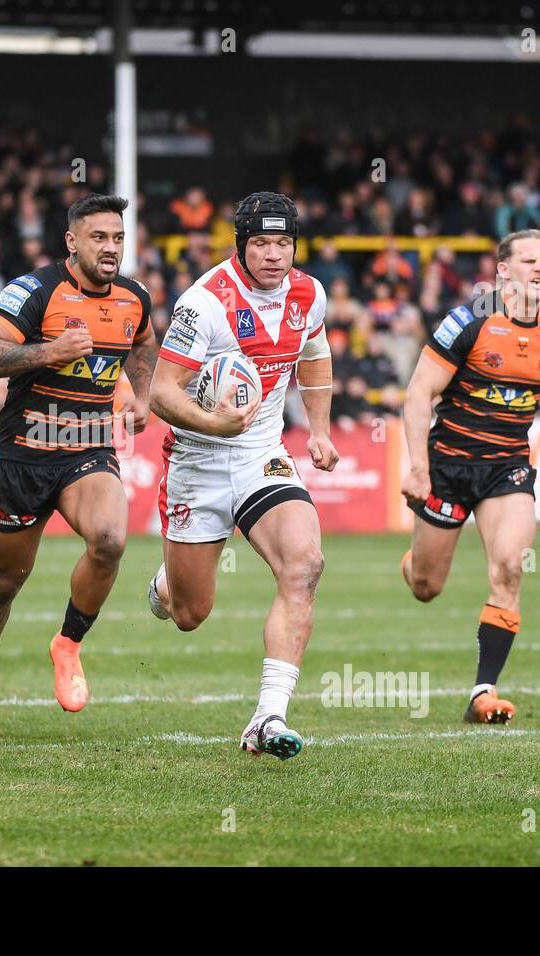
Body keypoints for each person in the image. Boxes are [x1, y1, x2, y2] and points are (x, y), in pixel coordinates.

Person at [0, 194, 156, 738]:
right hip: (23, 454)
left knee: (111, 539)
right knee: (3, 584)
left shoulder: (135, 297)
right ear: (72, 242)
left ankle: (67, 645)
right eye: (99, 238)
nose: (111, 248)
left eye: (117, 238)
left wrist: (141, 396)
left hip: (88, 448)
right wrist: (48, 351)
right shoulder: (35, 290)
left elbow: (143, 344)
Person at [147, 191, 337, 761]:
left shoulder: (309, 293)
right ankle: (167, 582)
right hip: (198, 463)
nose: (275, 255)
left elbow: (316, 354)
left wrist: (320, 430)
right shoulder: (204, 302)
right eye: (262, 244)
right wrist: (214, 422)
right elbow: (159, 392)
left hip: (262, 453)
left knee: (304, 564)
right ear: (241, 245)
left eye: (284, 243)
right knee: (189, 614)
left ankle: (268, 716)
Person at [399, 229, 540, 723]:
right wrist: (418, 467)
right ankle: (415, 562)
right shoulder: (467, 323)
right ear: (503, 271)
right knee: (426, 586)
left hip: (508, 469)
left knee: (510, 566)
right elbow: (418, 395)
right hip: (449, 467)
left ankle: (483, 693)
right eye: (528, 261)